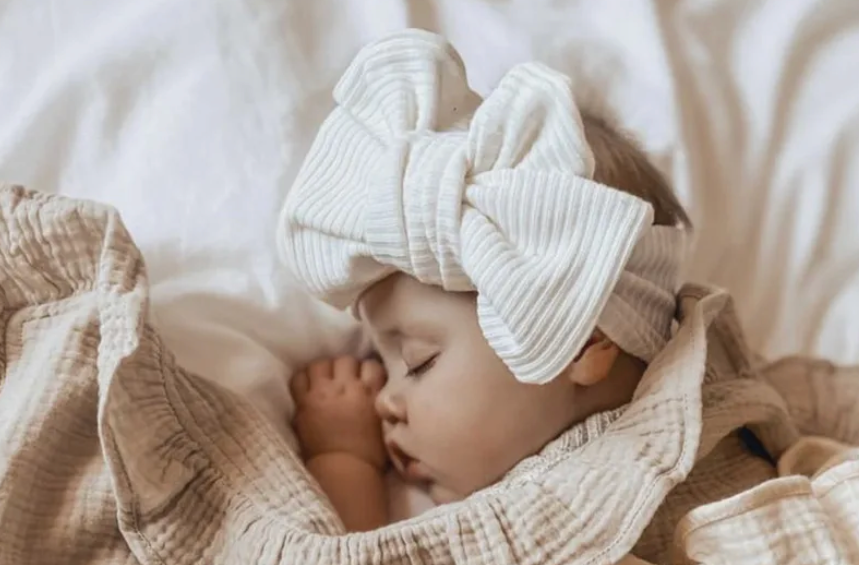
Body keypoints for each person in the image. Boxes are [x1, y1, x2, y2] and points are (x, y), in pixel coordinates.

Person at [278, 29, 690, 531]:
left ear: (582, 341)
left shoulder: (733, 418)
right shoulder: (446, 512)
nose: (383, 401)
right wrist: (346, 460)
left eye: (418, 362)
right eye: (386, 366)